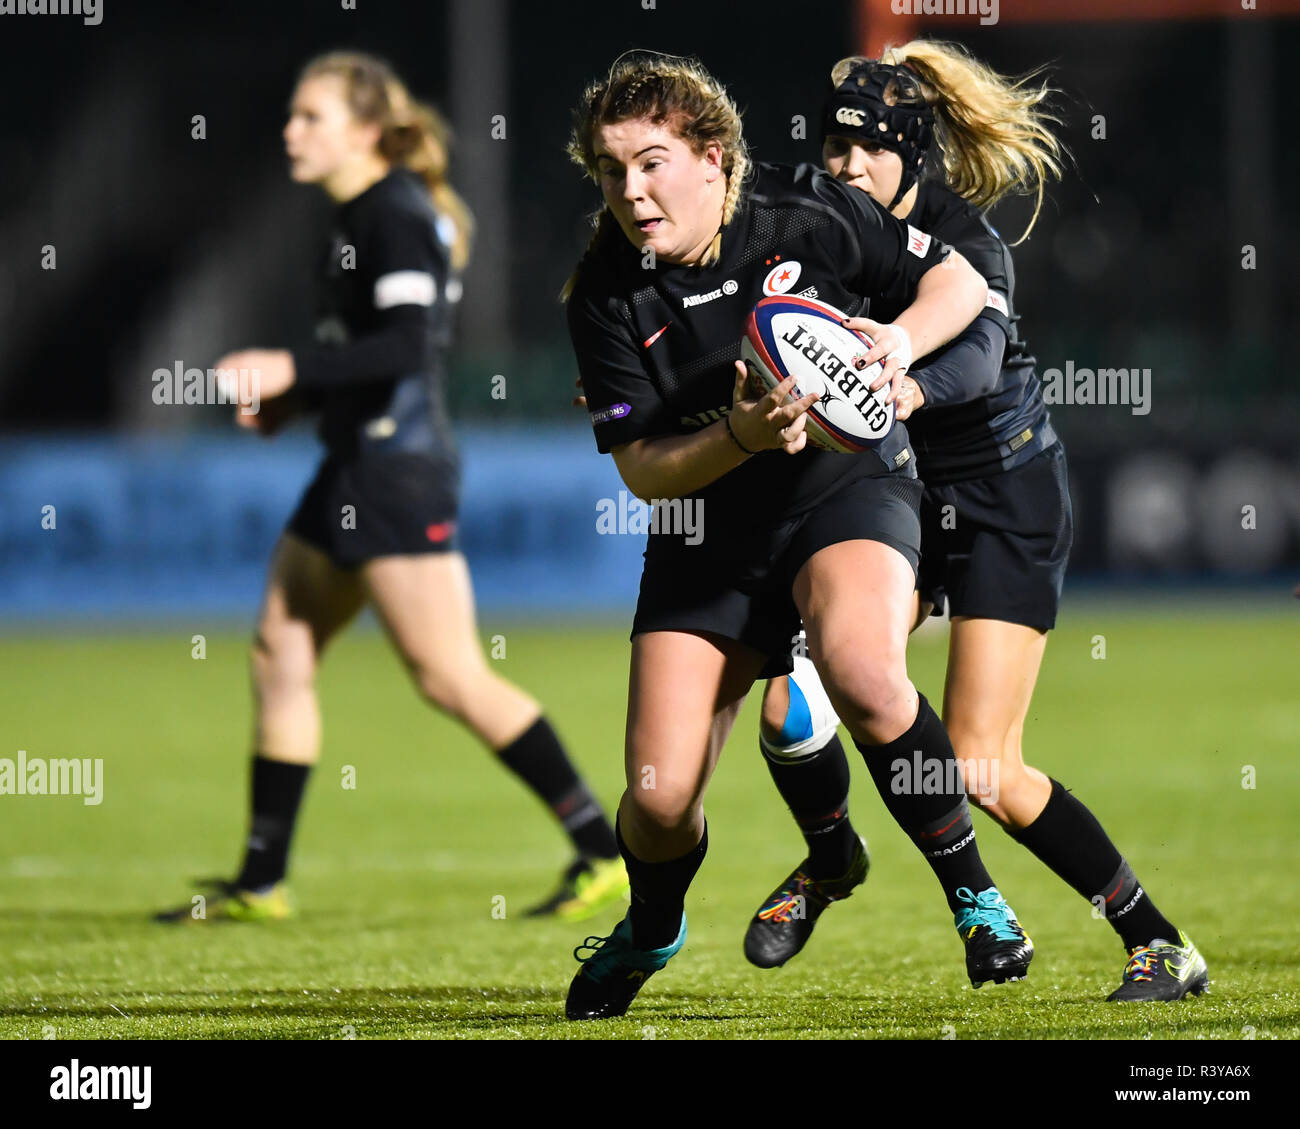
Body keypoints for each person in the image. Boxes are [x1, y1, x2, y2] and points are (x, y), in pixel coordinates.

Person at [562, 51, 1034, 1022]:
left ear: (715, 158)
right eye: (611, 172)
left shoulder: (807, 211)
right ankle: (652, 926)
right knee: (655, 796)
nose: (631, 191)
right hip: (709, 531)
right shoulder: (603, 293)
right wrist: (736, 435)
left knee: (860, 668)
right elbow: (644, 468)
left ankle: (976, 898)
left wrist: (898, 340)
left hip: (844, 488)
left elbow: (956, 287)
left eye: (651, 163)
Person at [745, 43, 1206, 1003]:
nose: (845, 165)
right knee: (794, 704)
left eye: (868, 148)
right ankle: (832, 861)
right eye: (834, 144)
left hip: (1004, 500)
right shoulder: (828, 222)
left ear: (915, 155)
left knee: (985, 767)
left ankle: (1158, 941)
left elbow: (983, 359)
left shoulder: (969, 245)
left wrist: (907, 382)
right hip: (899, 497)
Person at [157, 51, 627, 926]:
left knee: (450, 675)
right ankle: (261, 880)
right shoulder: (355, 215)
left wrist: (287, 364)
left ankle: (604, 851)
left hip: (392, 472)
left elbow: (410, 351)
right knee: (280, 648)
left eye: (311, 117)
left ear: (366, 130)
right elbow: (370, 355)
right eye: (292, 116)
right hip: (354, 461)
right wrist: (300, 399)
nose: (291, 131)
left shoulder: (396, 213)